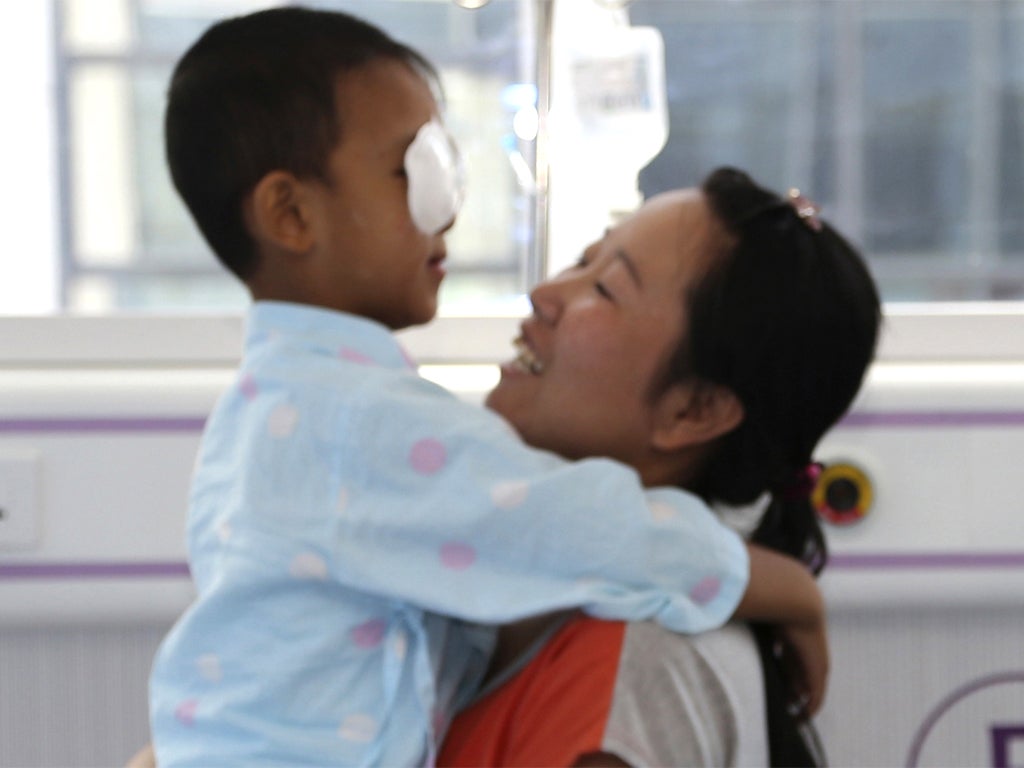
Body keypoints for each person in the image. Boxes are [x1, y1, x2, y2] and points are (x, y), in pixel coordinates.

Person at [147, 7, 827, 767]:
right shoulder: (354, 423)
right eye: (414, 172)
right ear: (292, 214)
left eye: (606, 287)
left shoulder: (289, 404)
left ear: (697, 408)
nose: (449, 209)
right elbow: (583, 527)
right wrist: (790, 591)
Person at [439, 168, 882, 767]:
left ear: (693, 411)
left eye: (605, 289)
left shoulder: (633, 666)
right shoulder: (541, 582)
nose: (545, 294)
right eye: (583, 261)